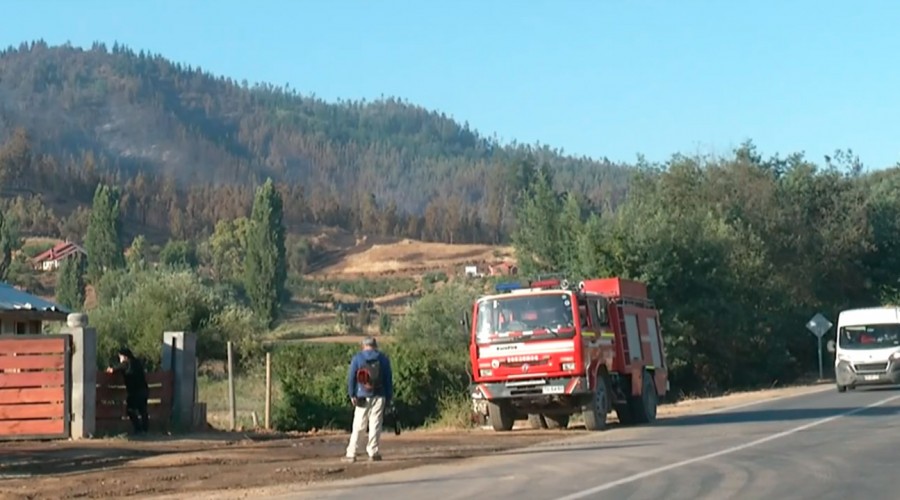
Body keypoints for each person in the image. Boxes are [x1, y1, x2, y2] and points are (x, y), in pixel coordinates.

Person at [342, 336, 393, 463]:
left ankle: (352, 453)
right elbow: (388, 379)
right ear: (375, 345)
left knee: (359, 424)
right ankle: (373, 451)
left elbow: (352, 378)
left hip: (362, 395)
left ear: (363, 345)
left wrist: (352, 394)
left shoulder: (358, 358)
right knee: (375, 423)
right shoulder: (383, 358)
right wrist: (389, 397)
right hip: (379, 395)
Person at [106, 347, 150, 434]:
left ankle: (138, 429)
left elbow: (113, 370)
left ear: (125, 357)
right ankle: (145, 430)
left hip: (134, 392)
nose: (120, 359)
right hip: (144, 390)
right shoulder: (137, 362)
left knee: (130, 409)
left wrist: (109, 369)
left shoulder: (126, 364)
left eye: (120, 357)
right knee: (143, 410)